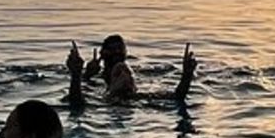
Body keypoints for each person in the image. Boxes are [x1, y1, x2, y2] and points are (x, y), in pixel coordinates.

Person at [67, 38, 196, 105]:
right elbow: (77, 102)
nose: (124, 76)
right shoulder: (104, 100)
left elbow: (177, 97)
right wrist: (79, 75)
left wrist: (187, 75)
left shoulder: (141, 98)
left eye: (128, 73)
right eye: (118, 74)